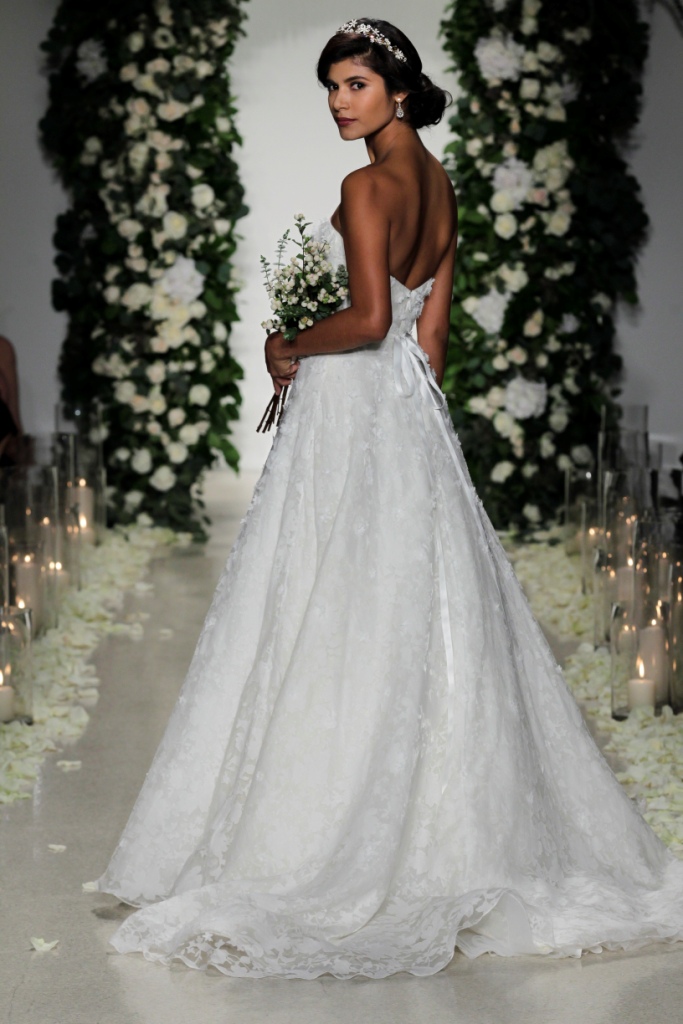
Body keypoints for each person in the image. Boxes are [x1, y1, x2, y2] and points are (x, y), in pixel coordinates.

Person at [96, 19, 683, 978]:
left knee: (327, 604)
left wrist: (287, 347)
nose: (338, 101)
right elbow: (428, 338)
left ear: (399, 90)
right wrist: (416, 425)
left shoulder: (366, 186)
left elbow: (367, 320)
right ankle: (450, 832)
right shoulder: (440, 187)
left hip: (349, 410)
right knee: (419, 608)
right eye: (330, 85)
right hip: (408, 415)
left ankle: (320, 829)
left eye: (357, 83)